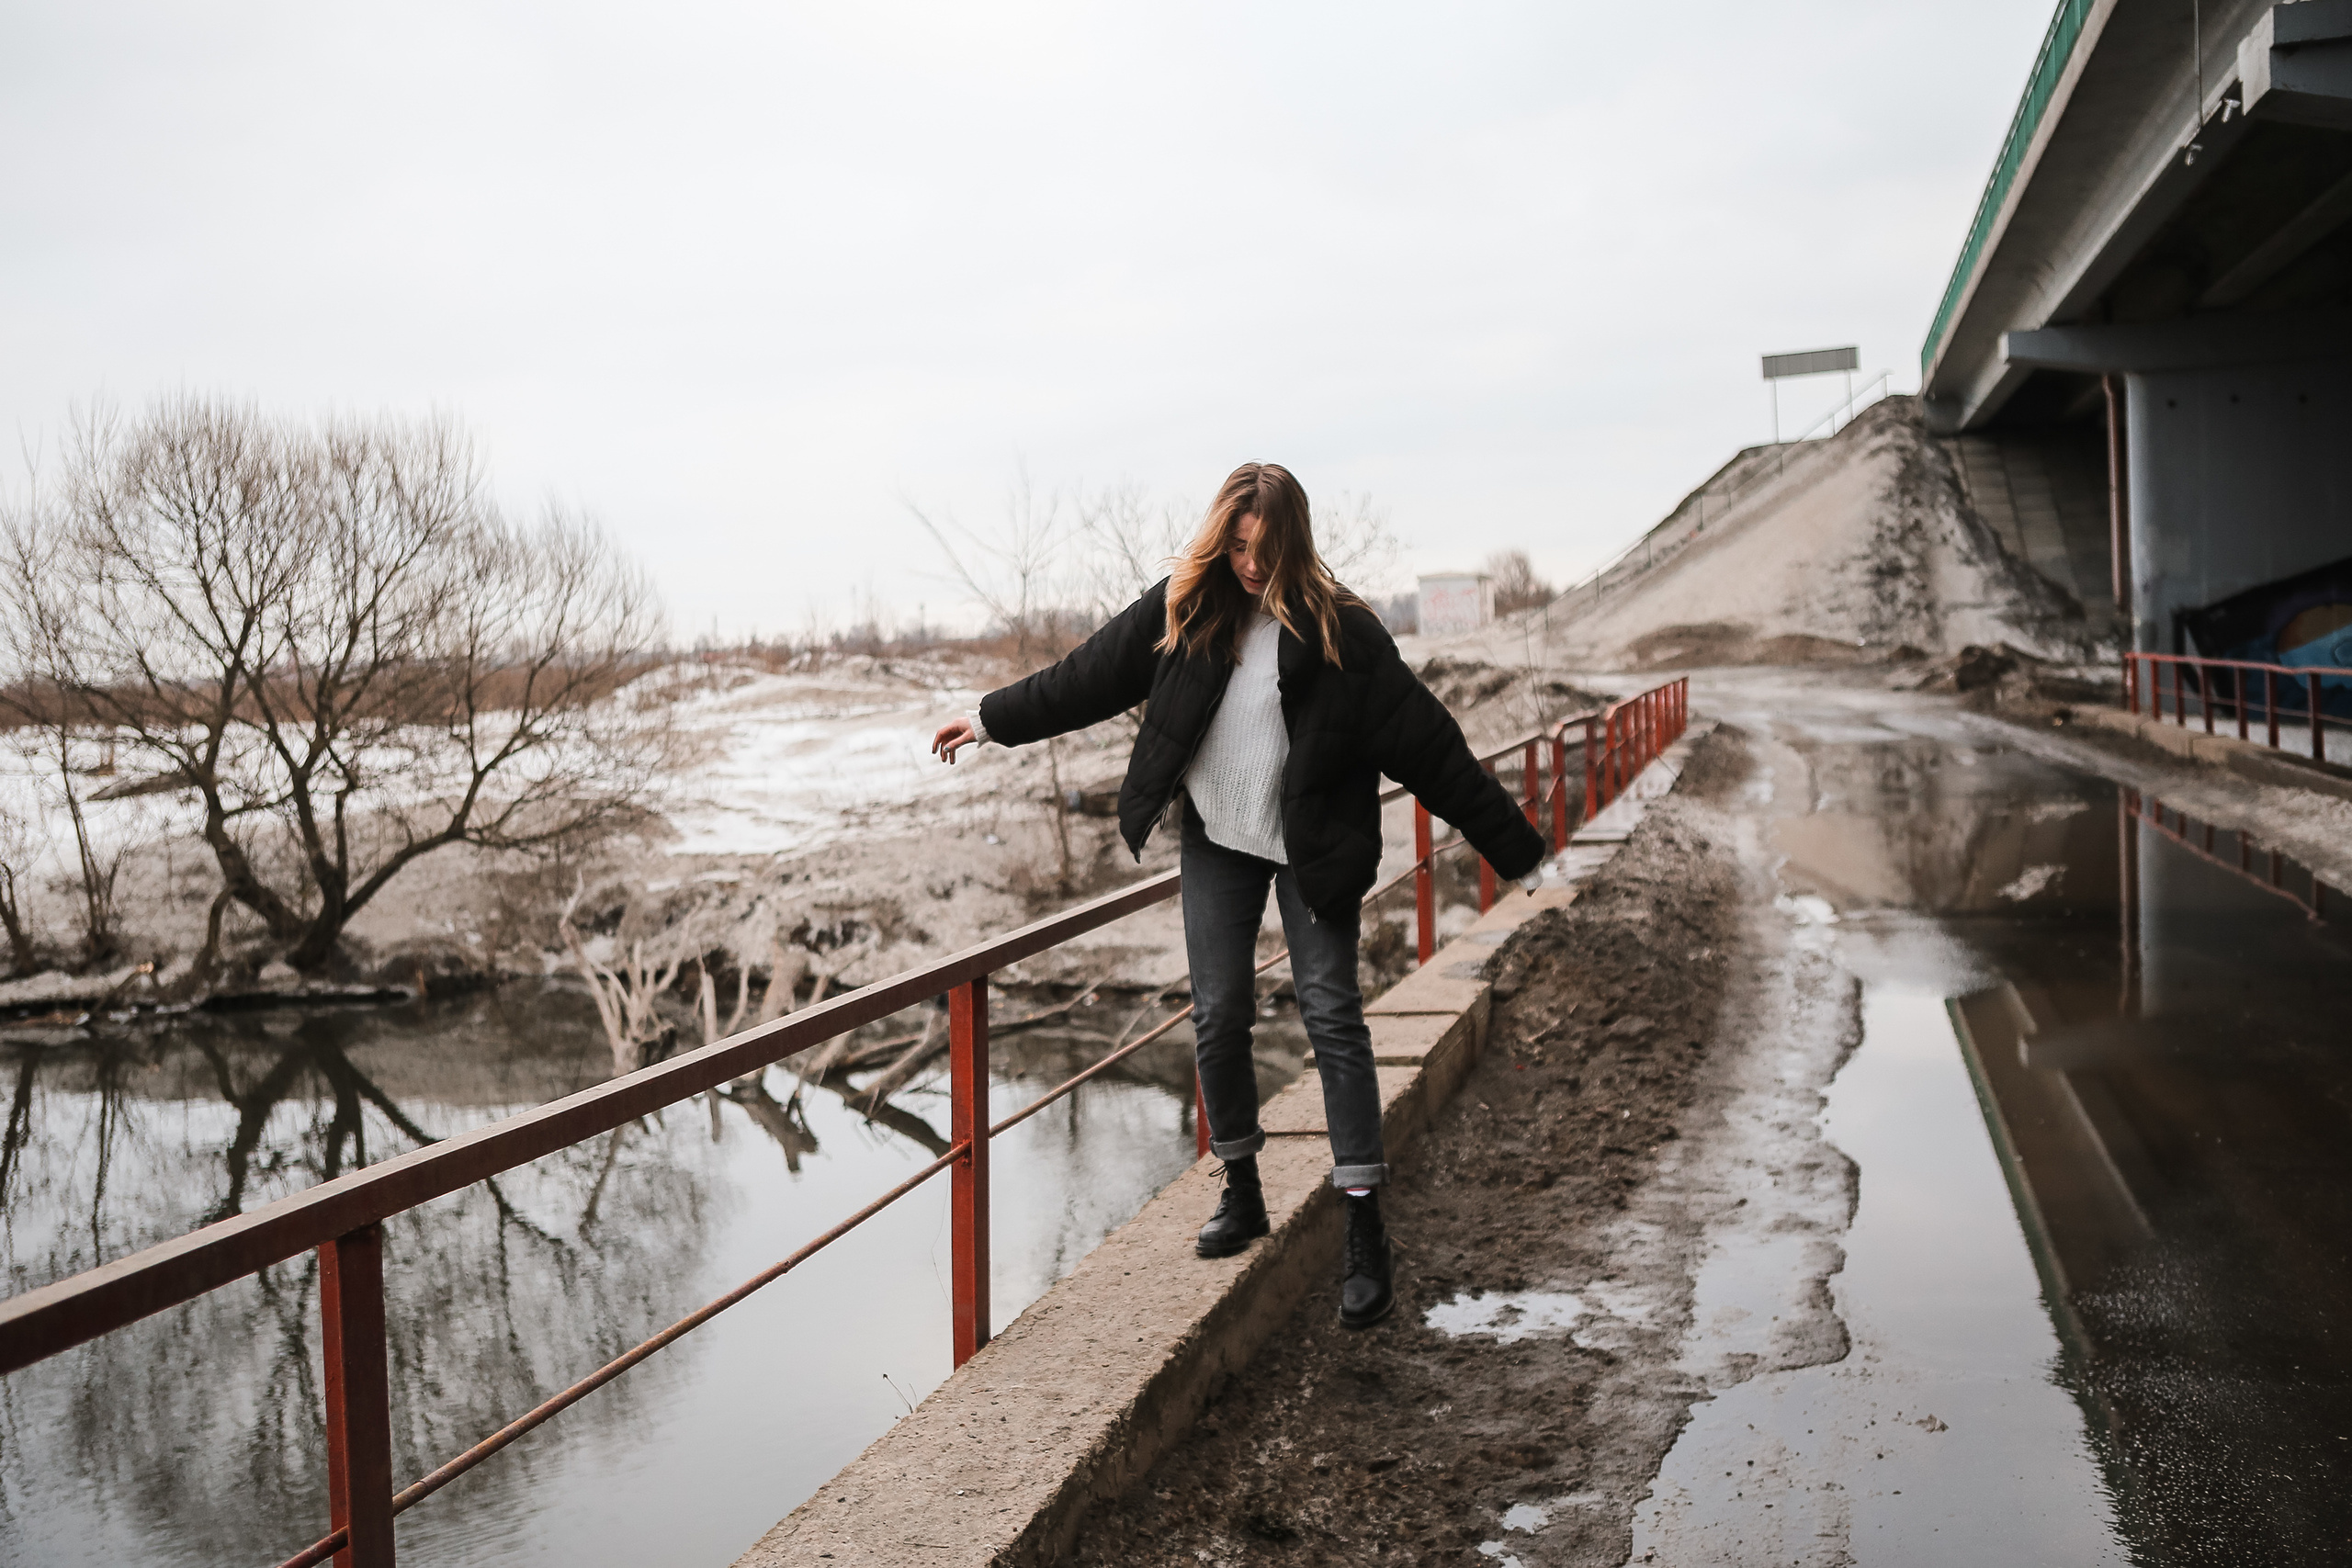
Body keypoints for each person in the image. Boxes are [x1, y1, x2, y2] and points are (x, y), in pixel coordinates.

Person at [932, 461, 1545, 1327]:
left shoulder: (1344, 634)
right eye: (1237, 544)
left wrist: (1518, 853)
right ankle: (1243, 1185)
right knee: (1217, 1016)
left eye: (1265, 547)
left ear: (1295, 542)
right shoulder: (1188, 608)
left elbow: (1432, 748)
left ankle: (1364, 1219)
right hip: (1220, 837)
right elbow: (1086, 674)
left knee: (1332, 1013)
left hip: (1312, 848)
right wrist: (991, 720)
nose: (1250, 563)